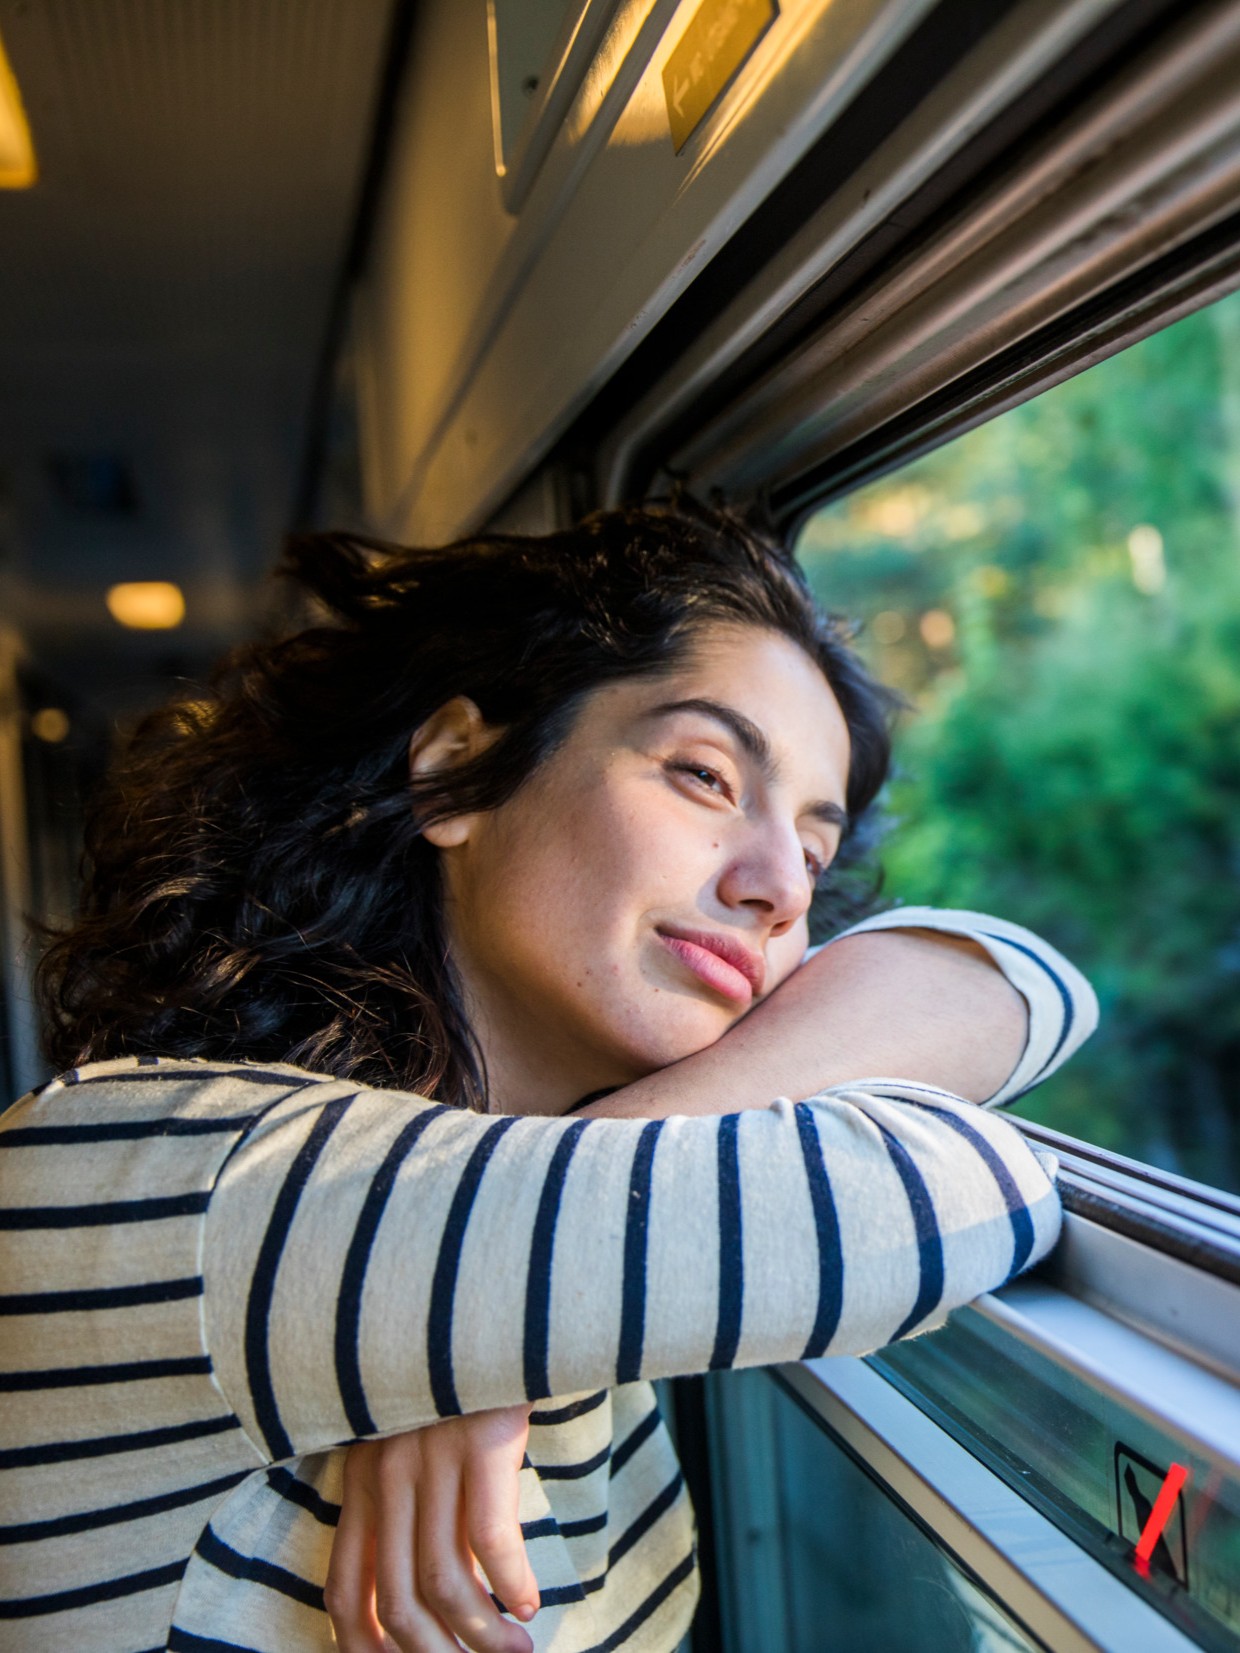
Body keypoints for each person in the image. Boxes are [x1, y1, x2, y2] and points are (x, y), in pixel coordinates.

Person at [0, 503, 1096, 1652]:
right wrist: (489, 1297)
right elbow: (960, 1194)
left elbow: (1019, 985)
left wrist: (502, 1317)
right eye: (705, 775)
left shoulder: (581, 1264)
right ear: (453, 775)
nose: (779, 885)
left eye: (815, 853)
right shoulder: (178, 1192)